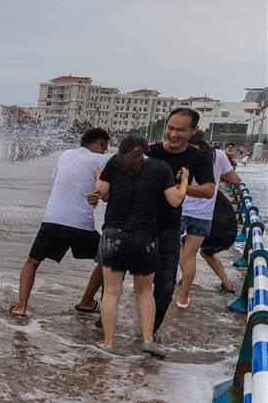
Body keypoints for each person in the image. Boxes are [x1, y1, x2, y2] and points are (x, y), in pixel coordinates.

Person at [92, 135, 189, 357]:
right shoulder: (161, 167)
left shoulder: (115, 163)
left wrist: (98, 176)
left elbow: (101, 192)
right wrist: (184, 180)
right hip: (145, 237)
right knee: (145, 291)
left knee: (111, 291)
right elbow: (175, 200)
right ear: (147, 150)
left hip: (113, 234)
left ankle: (108, 342)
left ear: (122, 150)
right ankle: (148, 340)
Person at [9, 128, 110, 318]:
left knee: (32, 262)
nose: (105, 151)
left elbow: (66, 183)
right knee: (109, 260)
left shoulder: (65, 155)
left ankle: (21, 307)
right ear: (97, 145)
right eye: (105, 147)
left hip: (53, 220)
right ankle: (86, 302)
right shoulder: (102, 160)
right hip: (81, 223)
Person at [145, 108, 215, 335]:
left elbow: (209, 190)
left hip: (170, 225)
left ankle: (150, 332)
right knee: (113, 270)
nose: (173, 134)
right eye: (170, 128)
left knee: (165, 284)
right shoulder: (150, 152)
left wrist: (181, 188)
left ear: (194, 131)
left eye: (181, 130)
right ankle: (102, 316)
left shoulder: (198, 157)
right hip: (138, 221)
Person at [177, 132, 241, 303]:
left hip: (181, 209)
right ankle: (183, 297)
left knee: (167, 246)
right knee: (191, 255)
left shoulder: (183, 153)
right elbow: (235, 179)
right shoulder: (219, 155)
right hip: (205, 215)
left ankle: (147, 285)